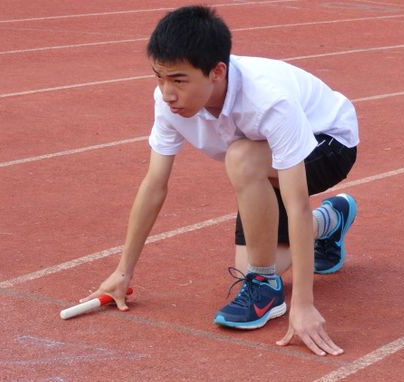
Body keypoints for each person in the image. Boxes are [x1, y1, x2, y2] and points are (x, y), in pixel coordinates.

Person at [80, 5, 359, 356]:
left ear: (217, 71)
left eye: (179, 80)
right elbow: (154, 185)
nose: (167, 93)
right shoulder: (167, 103)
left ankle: (266, 288)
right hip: (264, 160)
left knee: (241, 159)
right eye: (159, 77)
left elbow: (296, 201)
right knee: (250, 262)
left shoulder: (270, 102)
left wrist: (303, 304)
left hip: (328, 142)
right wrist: (123, 272)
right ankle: (331, 222)